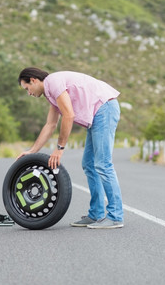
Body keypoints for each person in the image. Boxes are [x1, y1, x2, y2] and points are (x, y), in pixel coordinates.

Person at [17, 67, 124, 229]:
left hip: (105, 108)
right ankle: (96, 214)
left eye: (27, 88)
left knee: (103, 164)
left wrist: (59, 148)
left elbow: (69, 115)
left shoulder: (53, 82)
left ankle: (115, 216)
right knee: (89, 164)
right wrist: (32, 151)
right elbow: (50, 124)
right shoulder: (50, 93)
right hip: (98, 113)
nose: (28, 93)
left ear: (33, 80)